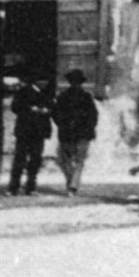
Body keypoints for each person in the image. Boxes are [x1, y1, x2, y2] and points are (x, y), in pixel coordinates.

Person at [52, 68, 98, 196]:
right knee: (78, 161)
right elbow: (93, 116)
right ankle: (73, 184)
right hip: (82, 133)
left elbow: (55, 114)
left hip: (69, 133)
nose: (75, 84)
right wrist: (89, 128)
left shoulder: (63, 97)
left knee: (66, 160)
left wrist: (63, 125)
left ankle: (71, 184)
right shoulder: (86, 97)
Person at [7, 75, 53, 195]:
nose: (45, 83)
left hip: (39, 132)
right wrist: (29, 109)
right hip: (25, 130)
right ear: (36, 80)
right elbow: (15, 107)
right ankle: (13, 187)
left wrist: (47, 110)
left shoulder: (47, 93)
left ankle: (31, 186)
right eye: (43, 80)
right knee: (20, 159)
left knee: (35, 160)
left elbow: (52, 107)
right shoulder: (23, 92)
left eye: (46, 80)